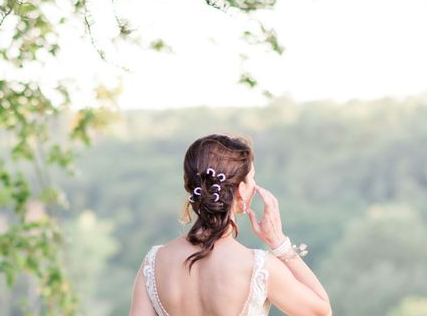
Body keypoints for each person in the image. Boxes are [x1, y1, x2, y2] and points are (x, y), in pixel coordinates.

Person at [129, 134, 332, 316]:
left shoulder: (154, 263)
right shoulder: (259, 267)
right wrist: (280, 244)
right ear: (241, 190)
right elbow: (321, 312)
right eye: (252, 178)